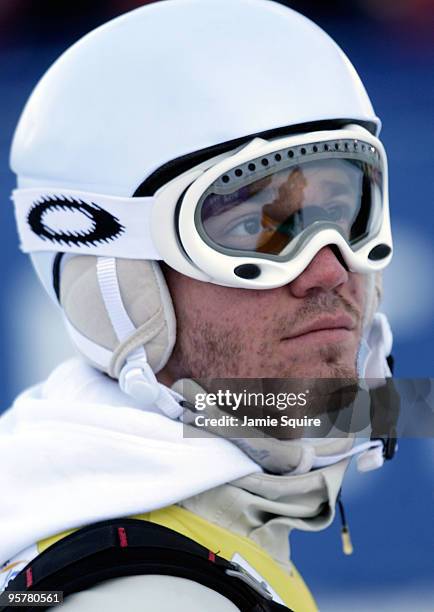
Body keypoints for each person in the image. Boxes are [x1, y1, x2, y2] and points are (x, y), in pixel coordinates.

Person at [0, 0, 395, 609]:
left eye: (342, 212)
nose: (327, 269)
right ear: (122, 288)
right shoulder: (149, 594)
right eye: (253, 227)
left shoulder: (191, 538)